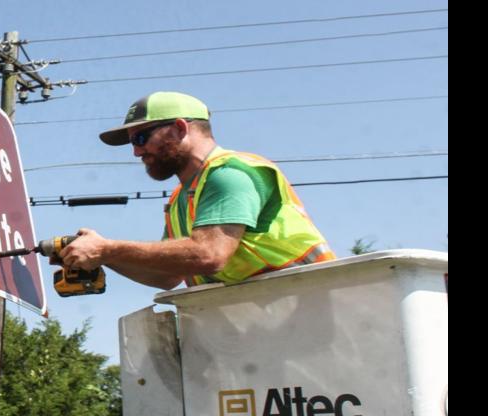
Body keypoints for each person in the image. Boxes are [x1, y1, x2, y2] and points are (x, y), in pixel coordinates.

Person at [56, 92, 335, 292]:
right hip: (268, 315)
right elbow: (168, 277)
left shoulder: (231, 174)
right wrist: (103, 255)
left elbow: (208, 254)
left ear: (179, 128)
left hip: (313, 301)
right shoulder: (181, 199)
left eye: (141, 138)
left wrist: (107, 248)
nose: (136, 151)